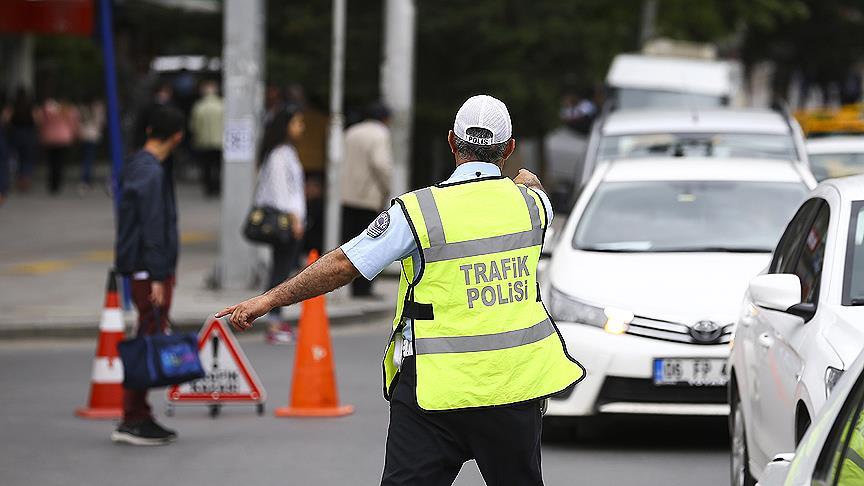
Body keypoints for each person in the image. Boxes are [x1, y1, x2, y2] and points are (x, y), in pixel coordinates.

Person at [217, 95, 585, 485]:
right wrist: (523, 179)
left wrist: (269, 299)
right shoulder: (532, 206)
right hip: (514, 387)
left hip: (433, 389)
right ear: (509, 148)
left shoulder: (419, 212)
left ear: (451, 142)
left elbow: (344, 264)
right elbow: (531, 184)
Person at [113, 106, 184, 446]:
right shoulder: (151, 172)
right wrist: (158, 275)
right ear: (177, 136)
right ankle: (133, 417)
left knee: (148, 333)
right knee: (147, 337)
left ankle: (138, 413)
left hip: (144, 267)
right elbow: (153, 227)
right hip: (149, 270)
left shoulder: (138, 164)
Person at [253, 107, 306, 344]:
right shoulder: (278, 155)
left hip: (292, 220)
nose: (301, 128)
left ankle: (276, 318)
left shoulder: (286, 152)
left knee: (283, 269)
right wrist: (294, 219)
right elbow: (281, 193)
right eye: (297, 123)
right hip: (285, 222)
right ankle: (273, 321)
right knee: (280, 271)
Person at [340, 102, 393, 297]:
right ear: (385, 119)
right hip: (368, 197)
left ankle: (351, 285)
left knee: (350, 242)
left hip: (347, 195)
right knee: (370, 244)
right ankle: (363, 289)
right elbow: (380, 163)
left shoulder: (351, 132)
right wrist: (386, 187)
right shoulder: (380, 134)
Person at [36, 95, 79, 195]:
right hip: (63, 138)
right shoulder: (68, 110)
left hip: (49, 138)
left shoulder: (47, 109)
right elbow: (73, 124)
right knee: (59, 162)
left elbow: (41, 121)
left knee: (51, 162)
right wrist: (75, 134)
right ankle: (57, 183)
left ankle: (52, 183)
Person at [189, 80, 224, 197]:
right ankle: (217, 187)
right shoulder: (222, 105)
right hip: (220, 141)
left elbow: (194, 125)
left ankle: (209, 187)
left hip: (204, 141)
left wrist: (196, 137)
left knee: (207, 166)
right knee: (218, 166)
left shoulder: (199, 106)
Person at [6, 86, 37, 192]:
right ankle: (25, 180)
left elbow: (6, 119)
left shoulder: (13, 105)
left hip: (16, 132)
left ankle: (18, 179)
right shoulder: (30, 105)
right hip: (28, 133)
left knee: (15, 156)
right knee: (27, 158)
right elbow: (36, 118)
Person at [77, 96, 105, 193]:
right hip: (93, 136)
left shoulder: (81, 109)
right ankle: (86, 180)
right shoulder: (98, 108)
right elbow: (101, 122)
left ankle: (85, 180)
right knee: (90, 158)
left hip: (84, 135)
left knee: (85, 158)